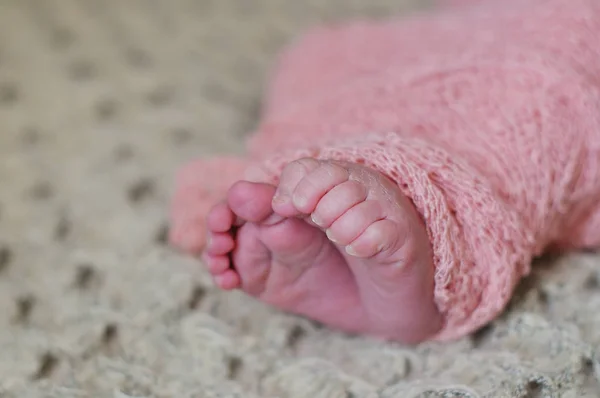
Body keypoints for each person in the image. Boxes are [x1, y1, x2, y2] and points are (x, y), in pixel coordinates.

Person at [169, 0, 600, 344]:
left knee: (543, 92)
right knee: (321, 58)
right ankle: (342, 193)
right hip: (469, 28)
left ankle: (426, 225)